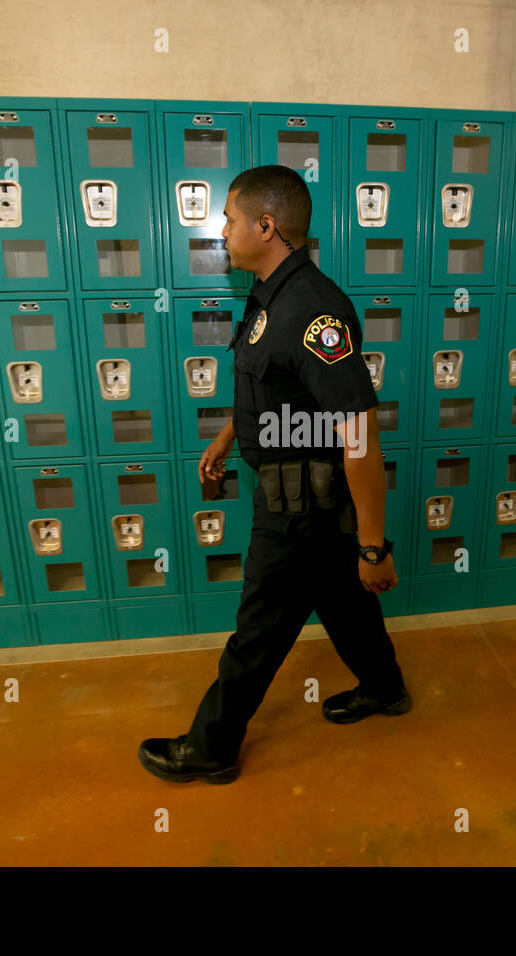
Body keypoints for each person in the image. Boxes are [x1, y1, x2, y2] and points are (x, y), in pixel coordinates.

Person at [138, 165, 411, 784]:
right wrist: (230, 433)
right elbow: (275, 388)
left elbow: (359, 434)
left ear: (266, 225)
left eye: (230, 220)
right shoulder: (270, 296)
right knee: (343, 601)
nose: (222, 232)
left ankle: (210, 746)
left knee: (258, 630)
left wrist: (373, 546)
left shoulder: (315, 313)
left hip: (301, 513)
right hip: (298, 498)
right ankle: (386, 688)